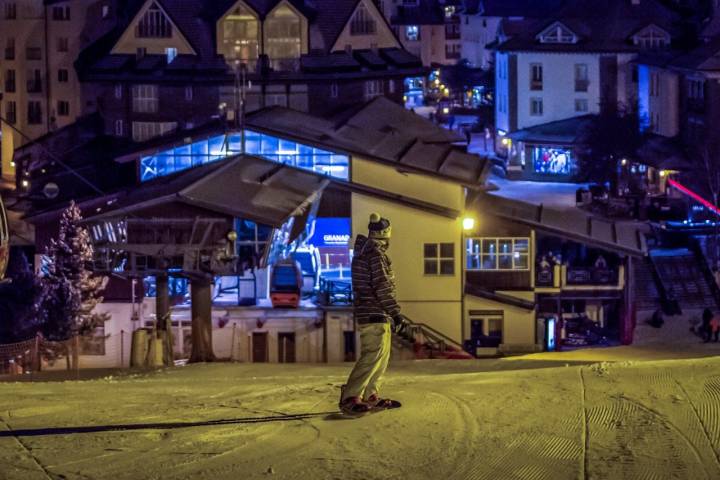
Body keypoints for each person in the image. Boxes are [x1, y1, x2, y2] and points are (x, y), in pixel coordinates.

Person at [339, 213, 406, 415]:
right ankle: (351, 396)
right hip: (374, 311)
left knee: (381, 356)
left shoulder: (367, 253)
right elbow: (382, 286)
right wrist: (396, 313)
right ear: (385, 234)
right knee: (373, 355)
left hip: (377, 312)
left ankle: (370, 395)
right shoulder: (375, 255)